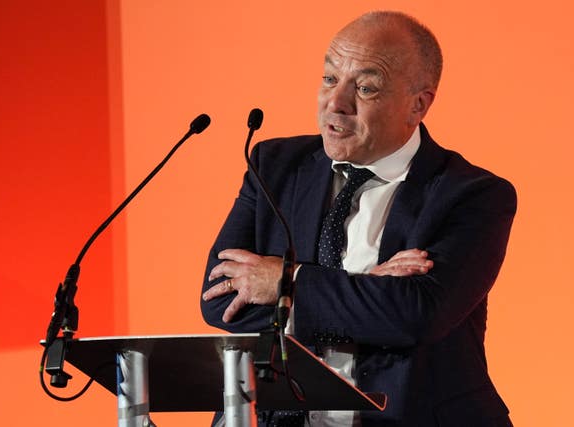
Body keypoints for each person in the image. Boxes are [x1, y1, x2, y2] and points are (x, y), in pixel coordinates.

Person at [201, 10, 516, 427]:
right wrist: (369, 289)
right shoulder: (274, 166)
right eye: (330, 79)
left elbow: (418, 315)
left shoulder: (473, 194)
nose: (336, 103)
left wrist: (286, 282)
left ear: (417, 105)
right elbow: (221, 299)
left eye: (365, 88)